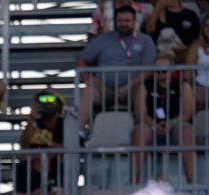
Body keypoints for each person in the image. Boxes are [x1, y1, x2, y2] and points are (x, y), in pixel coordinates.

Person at [76, 6, 157, 128]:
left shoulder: (145, 40)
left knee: (141, 90)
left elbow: (148, 70)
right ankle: (78, 132)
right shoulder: (103, 39)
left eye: (127, 21)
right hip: (104, 87)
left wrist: (126, 87)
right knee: (88, 90)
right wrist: (87, 80)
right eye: (120, 21)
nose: (123, 24)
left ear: (134, 22)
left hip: (132, 87)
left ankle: (142, 131)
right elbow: (80, 58)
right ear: (115, 21)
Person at [130, 52, 196, 183]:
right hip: (151, 127)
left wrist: (171, 123)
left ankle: (192, 182)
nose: (159, 74)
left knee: (187, 131)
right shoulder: (145, 86)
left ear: (172, 71)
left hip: (175, 127)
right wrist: (154, 125)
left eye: (163, 71)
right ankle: (133, 181)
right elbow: (140, 113)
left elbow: (187, 112)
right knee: (139, 131)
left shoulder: (183, 85)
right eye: (156, 71)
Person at [186, 16, 209, 111]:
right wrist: (186, 88)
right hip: (200, 87)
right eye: (207, 25)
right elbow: (187, 71)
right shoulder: (196, 46)